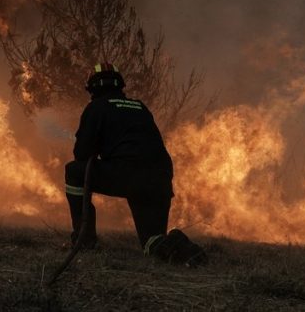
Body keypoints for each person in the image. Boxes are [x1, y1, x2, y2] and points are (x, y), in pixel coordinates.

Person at [64, 62, 205, 266]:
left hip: (128, 175)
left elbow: (81, 155)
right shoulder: (140, 106)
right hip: (160, 179)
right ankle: (181, 247)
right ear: (120, 85)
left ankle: (84, 240)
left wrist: (96, 146)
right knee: (152, 243)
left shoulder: (96, 107)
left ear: (92, 88)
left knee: (74, 172)